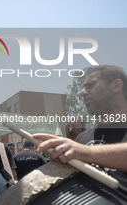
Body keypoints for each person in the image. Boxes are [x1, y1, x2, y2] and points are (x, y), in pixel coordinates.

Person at [33, 65, 127, 201]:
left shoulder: (81, 148)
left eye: (90, 85)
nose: (82, 92)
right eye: (83, 87)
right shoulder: (82, 138)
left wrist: (86, 153)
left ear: (116, 86)